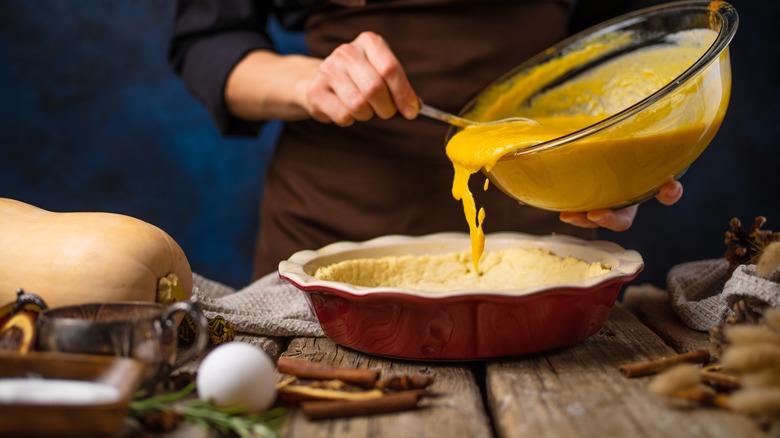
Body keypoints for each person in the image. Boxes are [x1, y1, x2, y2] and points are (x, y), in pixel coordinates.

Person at [169, 0, 682, 279]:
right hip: (330, 233)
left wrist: (619, 156)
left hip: (541, 222)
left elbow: (628, 37)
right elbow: (207, 40)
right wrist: (310, 83)